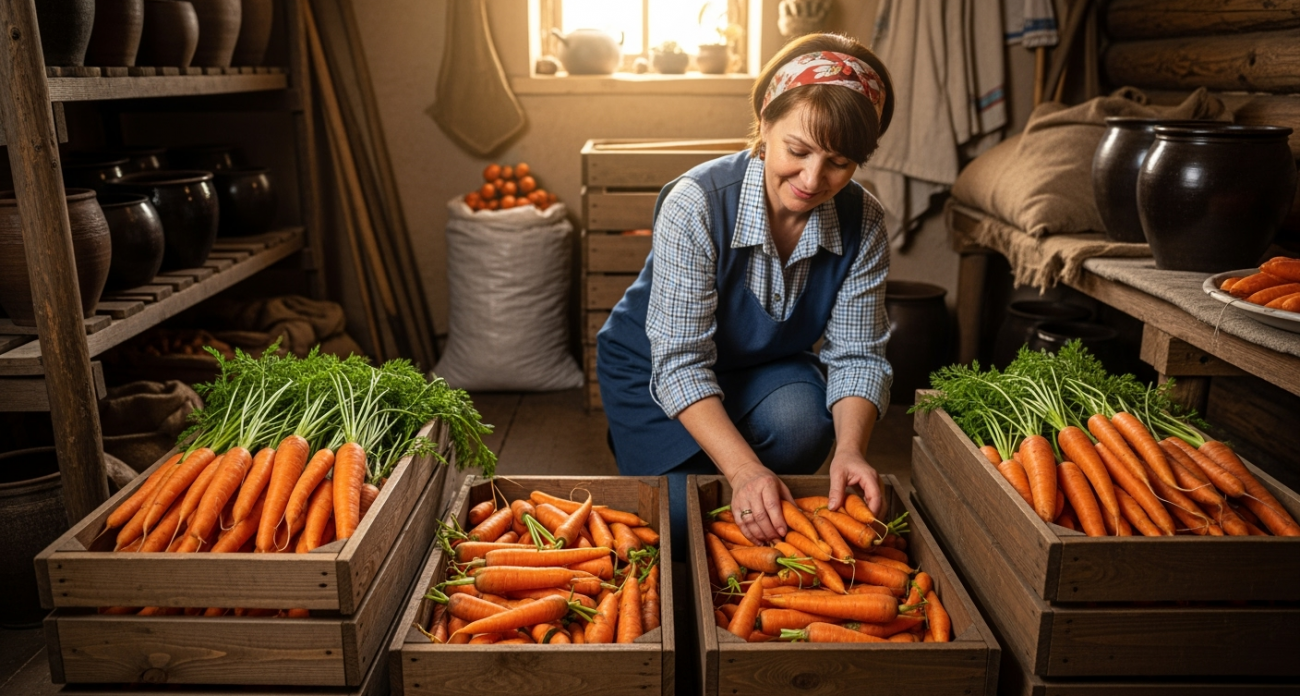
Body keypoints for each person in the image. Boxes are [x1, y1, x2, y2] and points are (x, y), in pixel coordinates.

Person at [597, 33, 895, 553]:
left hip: (760, 371)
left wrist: (851, 450)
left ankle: (754, 480)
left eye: (839, 163)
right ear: (765, 123)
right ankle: (662, 448)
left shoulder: (863, 221)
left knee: (804, 423)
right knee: (684, 526)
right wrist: (744, 469)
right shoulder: (697, 203)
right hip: (657, 375)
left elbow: (858, 355)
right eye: (797, 151)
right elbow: (681, 362)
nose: (812, 178)